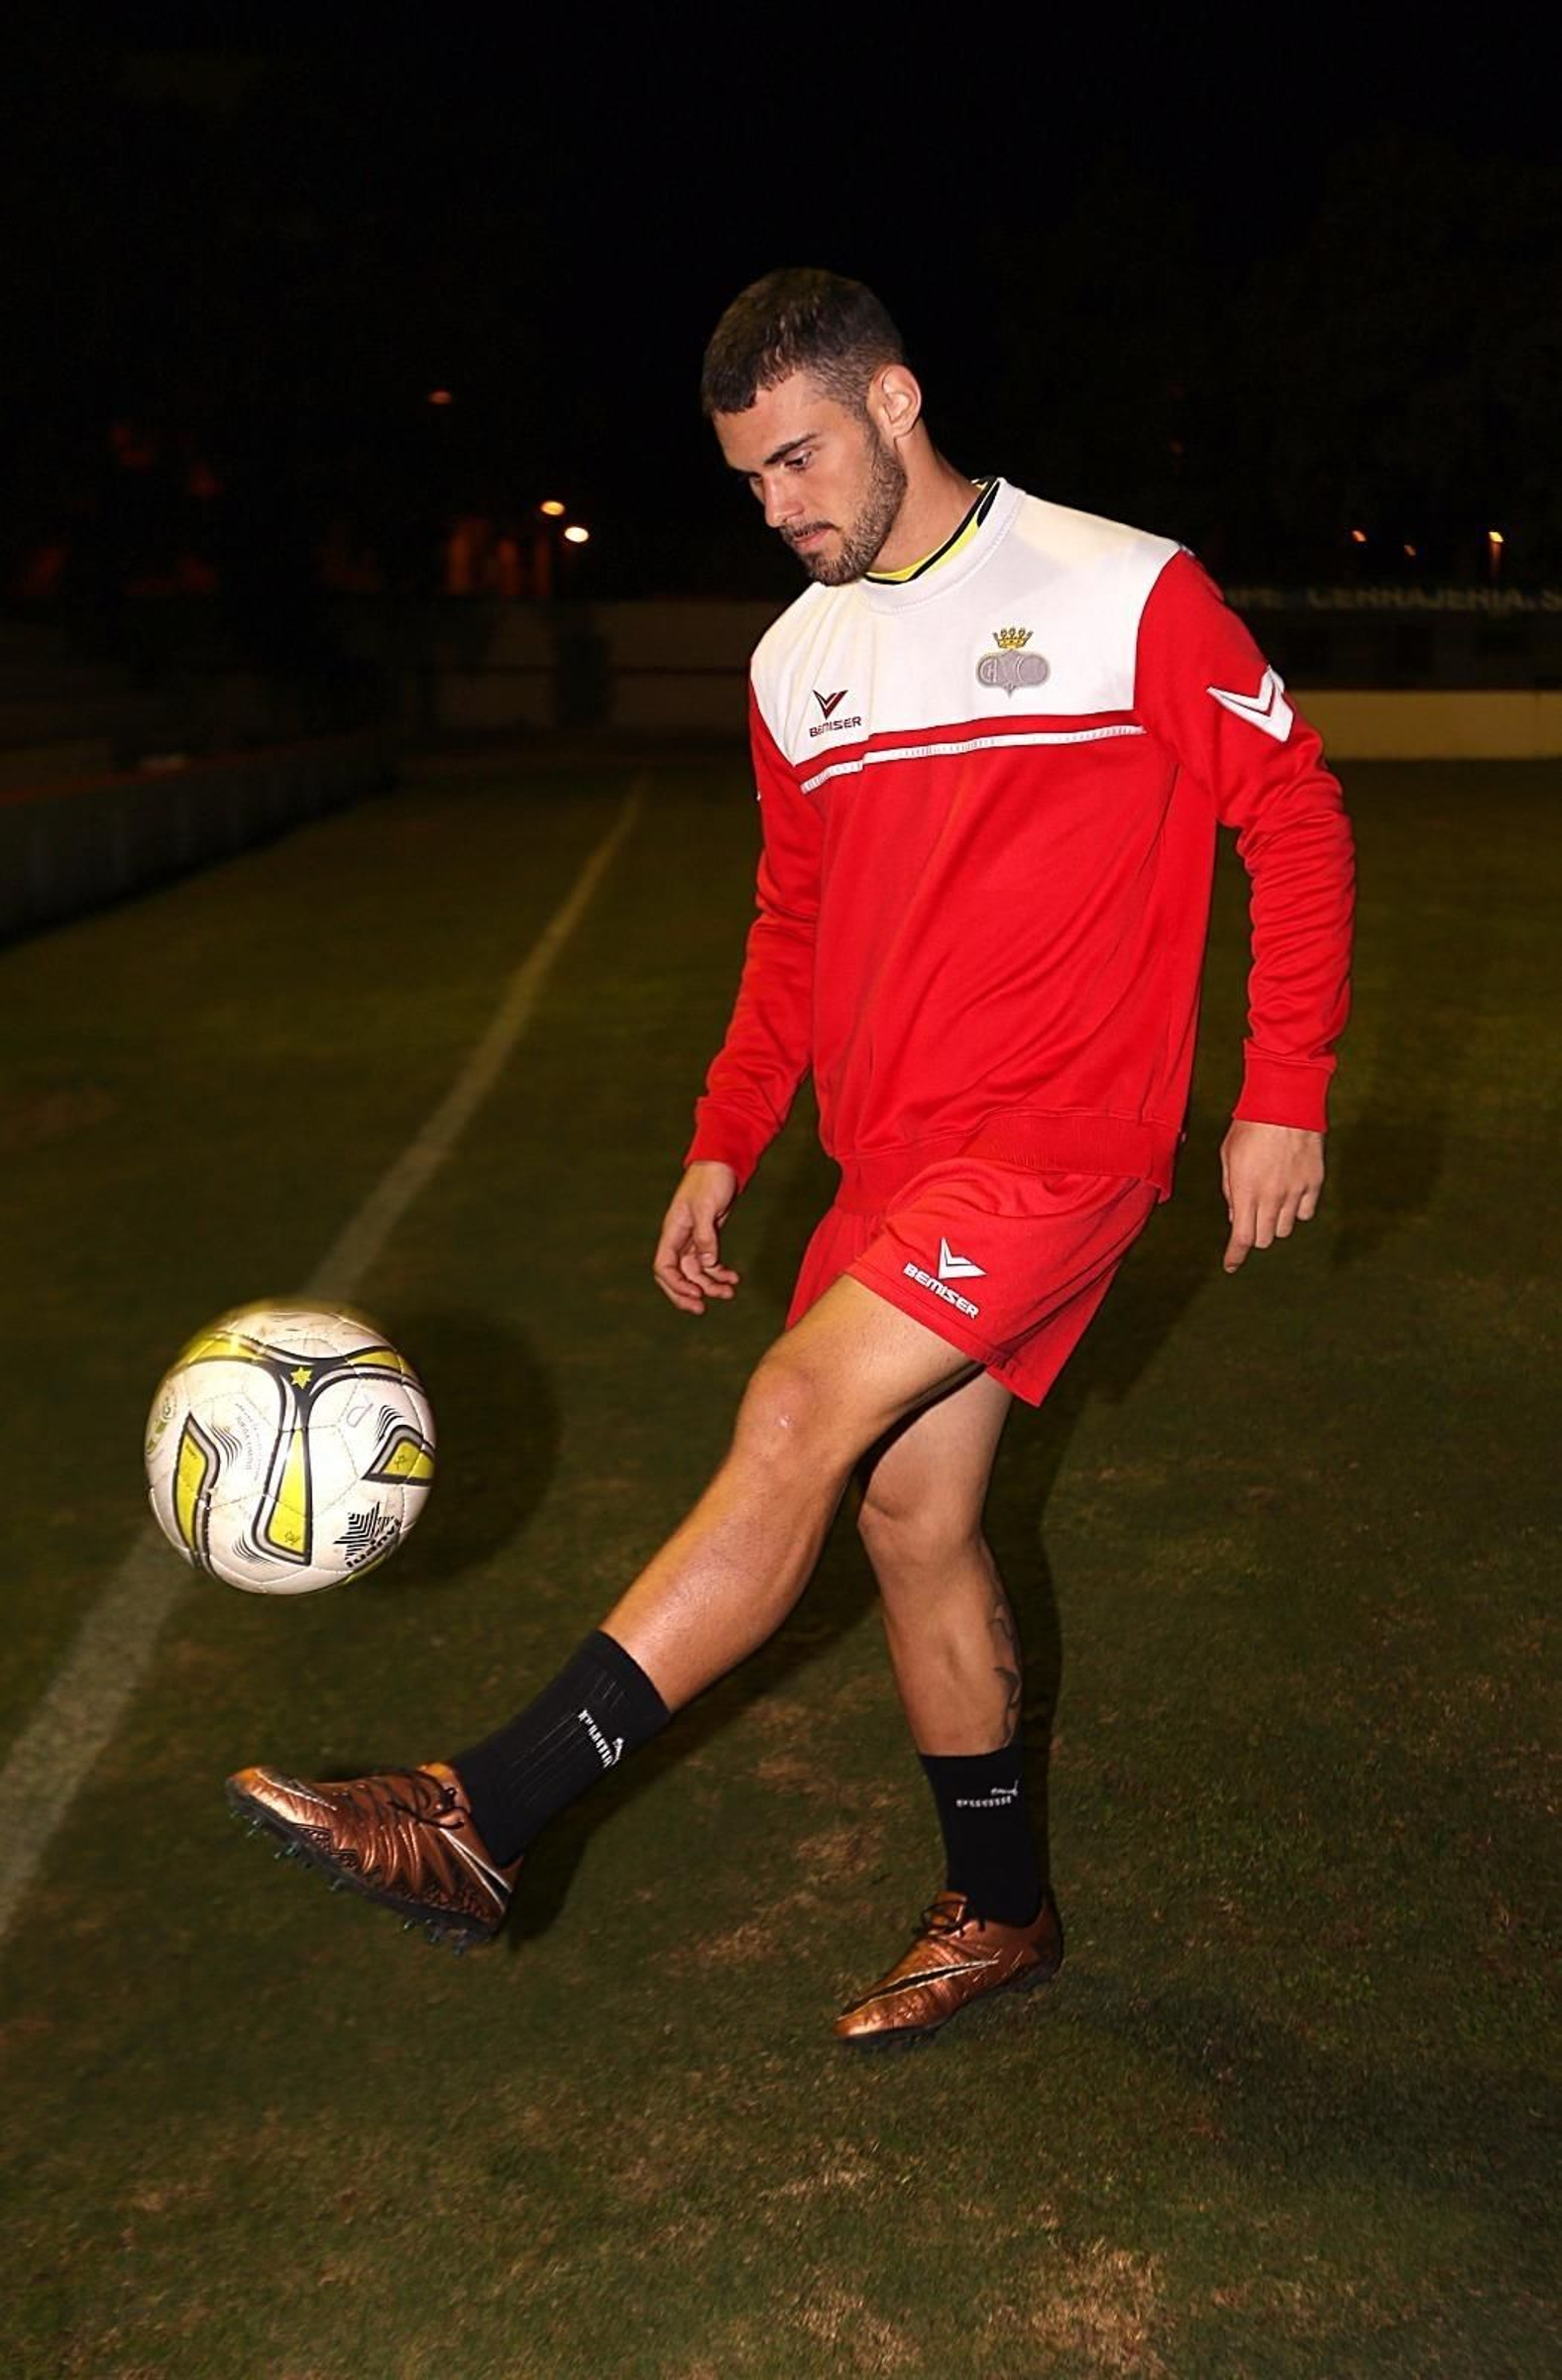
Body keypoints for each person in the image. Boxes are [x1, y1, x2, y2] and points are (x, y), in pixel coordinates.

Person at [228, 270, 1354, 2045]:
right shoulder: (792, 660)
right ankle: (1002, 1909)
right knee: (912, 1516)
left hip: (1059, 1140)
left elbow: (1290, 812)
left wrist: (1281, 1085)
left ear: (895, 400)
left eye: (801, 458)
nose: (778, 505)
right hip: (888, 1162)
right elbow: (793, 928)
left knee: (793, 1413)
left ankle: (482, 1813)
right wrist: (725, 1139)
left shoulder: (1126, 586)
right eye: (750, 478)